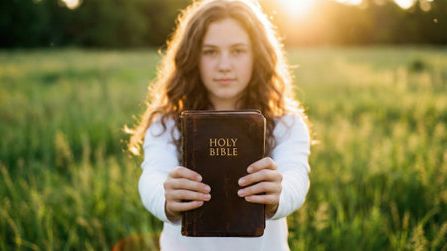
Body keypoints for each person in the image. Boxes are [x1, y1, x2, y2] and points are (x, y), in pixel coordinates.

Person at [126, 0, 311, 250]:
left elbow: (296, 178)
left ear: (257, 55)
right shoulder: (167, 123)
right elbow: (153, 176)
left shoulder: (286, 123)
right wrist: (166, 197)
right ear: (193, 57)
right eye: (210, 51)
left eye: (238, 51)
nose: (224, 65)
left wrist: (278, 194)